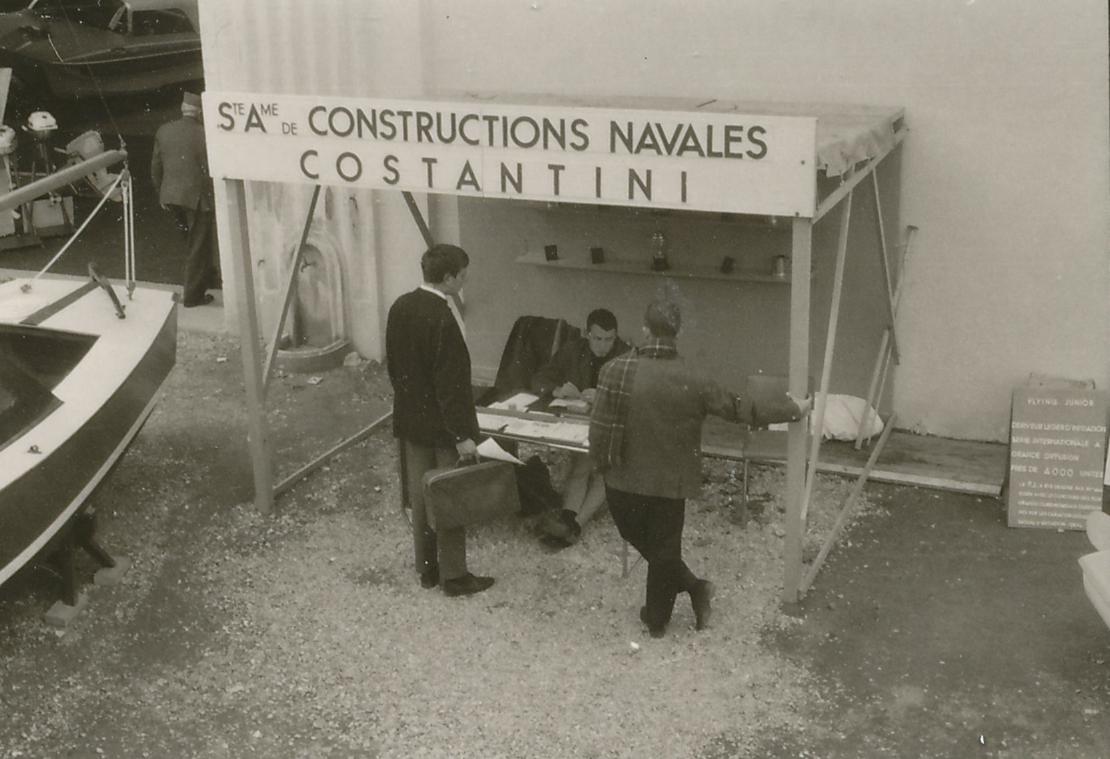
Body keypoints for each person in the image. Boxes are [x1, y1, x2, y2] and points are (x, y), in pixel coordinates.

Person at [589, 297, 810, 638]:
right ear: (678, 333)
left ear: (645, 329)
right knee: (663, 548)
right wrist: (792, 408)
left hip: (621, 477)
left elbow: (598, 428)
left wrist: (599, 462)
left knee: (647, 544)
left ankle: (667, 611)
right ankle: (678, 602)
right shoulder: (695, 377)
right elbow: (742, 410)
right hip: (671, 481)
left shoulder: (614, 369)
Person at [386, 243, 494, 598]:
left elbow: (396, 368)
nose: (466, 279)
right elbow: (452, 386)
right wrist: (462, 434)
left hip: (411, 419)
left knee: (421, 494)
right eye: (463, 274)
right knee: (449, 495)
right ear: (448, 278)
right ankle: (455, 575)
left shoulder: (401, 306)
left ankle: (427, 568)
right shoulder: (444, 319)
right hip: (444, 427)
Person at [530, 308, 628, 547]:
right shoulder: (573, 350)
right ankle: (567, 523)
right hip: (580, 423)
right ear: (586, 334)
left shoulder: (626, 355)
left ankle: (573, 527)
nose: (603, 346)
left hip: (616, 425)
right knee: (581, 466)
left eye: (609, 339)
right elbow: (539, 378)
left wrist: (604, 395)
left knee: (605, 470)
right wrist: (557, 390)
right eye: (597, 339)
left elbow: (638, 397)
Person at [151, 91, 220, 308]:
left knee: (191, 242)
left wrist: (161, 192)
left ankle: (207, 279)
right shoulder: (204, 133)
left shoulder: (164, 131)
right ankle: (192, 296)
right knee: (197, 245)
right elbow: (210, 169)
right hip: (196, 198)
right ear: (199, 112)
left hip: (171, 197)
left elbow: (155, 167)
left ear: (182, 109)